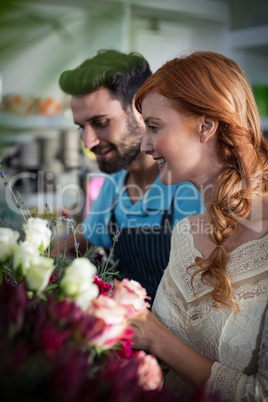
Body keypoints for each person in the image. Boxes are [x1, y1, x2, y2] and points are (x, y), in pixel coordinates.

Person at [132, 51, 268, 401]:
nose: (145, 145)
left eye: (154, 126)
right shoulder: (185, 233)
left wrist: (156, 338)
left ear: (206, 125)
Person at [57, 50, 204, 301]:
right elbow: (86, 237)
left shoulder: (189, 182)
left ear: (141, 108)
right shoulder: (116, 180)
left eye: (101, 123)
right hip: (129, 332)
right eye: (82, 127)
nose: (88, 141)